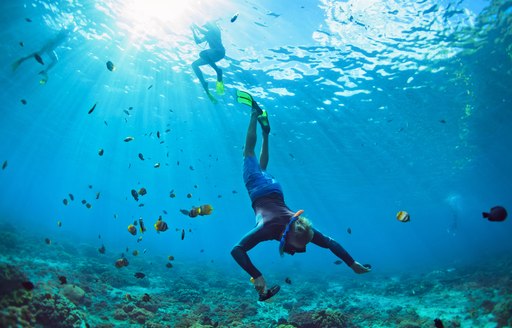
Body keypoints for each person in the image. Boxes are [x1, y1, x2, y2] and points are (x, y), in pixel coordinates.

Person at [231, 91, 371, 301]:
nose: (297, 252)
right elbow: (237, 250)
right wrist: (257, 275)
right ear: (286, 237)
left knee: (262, 167)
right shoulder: (269, 229)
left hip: (275, 189)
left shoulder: (303, 231)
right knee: (248, 153)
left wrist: (353, 264)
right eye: (297, 248)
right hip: (259, 190)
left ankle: (266, 133)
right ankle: (253, 113)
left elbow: (331, 243)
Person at [190, 21, 225, 103]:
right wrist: (193, 31)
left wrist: (196, 26)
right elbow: (198, 41)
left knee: (202, 54)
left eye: (207, 26)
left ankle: (217, 70)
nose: (206, 27)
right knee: (194, 64)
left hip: (219, 52)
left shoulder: (216, 30)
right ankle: (203, 82)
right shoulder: (208, 34)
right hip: (212, 55)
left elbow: (204, 31)